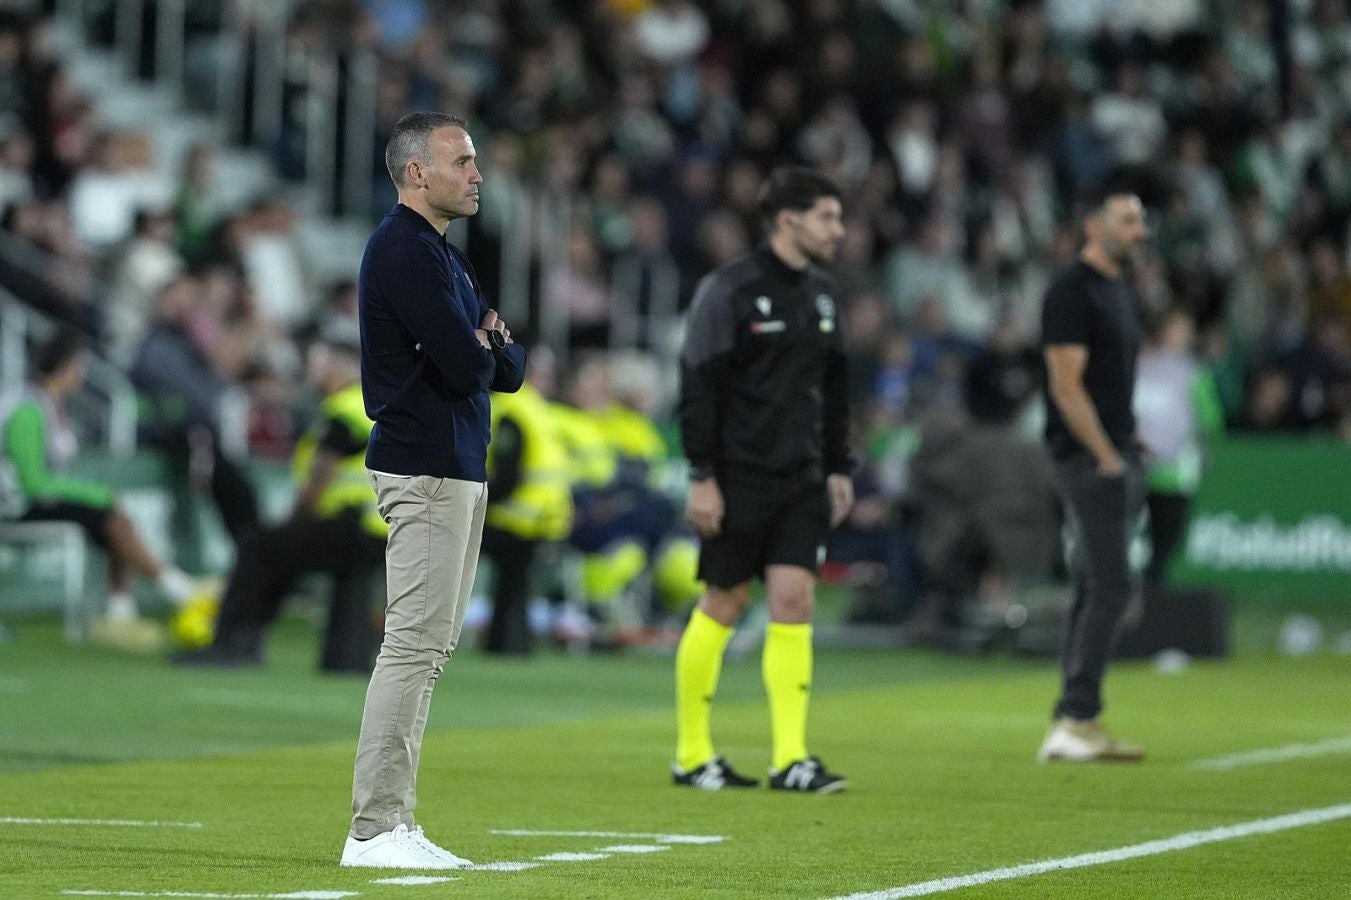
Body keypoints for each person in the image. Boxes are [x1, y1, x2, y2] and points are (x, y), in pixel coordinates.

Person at [340, 112, 525, 870]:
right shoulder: (406, 253)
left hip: (452, 464)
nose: (477, 173)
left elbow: (506, 366)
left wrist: (485, 345)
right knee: (414, 645)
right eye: (462, 160)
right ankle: (376, 829)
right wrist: (482, 343)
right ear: (417, 172)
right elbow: (469, 364)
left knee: (429, 647)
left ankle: (391, 824)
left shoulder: (440, 254)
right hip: (423, 465)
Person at [673, 167, 853, 793]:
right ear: (788, 220)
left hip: (801, 477)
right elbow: (698, 385)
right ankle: (692, 754)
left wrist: (837, 466)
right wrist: (702, 476)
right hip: (737, 476)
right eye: (828, 217)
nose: (839, 229)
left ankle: (791, 758)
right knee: (724, 602)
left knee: (795, 602)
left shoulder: (825, 296)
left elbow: (835, 392)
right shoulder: (729, 290)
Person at [171, 325, 387, 672]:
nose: (314, 371)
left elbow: (320, 479)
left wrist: (295, 516)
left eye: (320, 362)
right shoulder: (377, 403)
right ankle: (347, 658)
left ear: (338, 366)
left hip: (350, 524)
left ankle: (234, 644)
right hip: (379, 529)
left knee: (259, 545)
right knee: (285, 550)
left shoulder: (344, 410)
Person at [1037, 186, 1149, 763]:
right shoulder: (1072, 290)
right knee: (1111, 585)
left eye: (1140, 221)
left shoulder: (1116, 290)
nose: (1140, 231)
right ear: (1093, 224)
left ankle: (1074, 716)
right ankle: (1076, 717)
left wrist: (1128, 439)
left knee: (1094, 585)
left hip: (1114, 449)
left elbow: (1107, 380)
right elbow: (1065, 384)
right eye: (1128, 220)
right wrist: (1105, 452)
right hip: (1085, 457)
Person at [0, 326, 200, 651]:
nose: (80, 375)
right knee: (108, 512)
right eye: (77, 366)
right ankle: (175, 589)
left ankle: (125, 612)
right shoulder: (27, 409)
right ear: (64, 367)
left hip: (27, 500)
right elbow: (33, 483)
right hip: (14, 506)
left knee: (111, 518)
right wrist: (96, 494)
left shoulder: (47, 406)